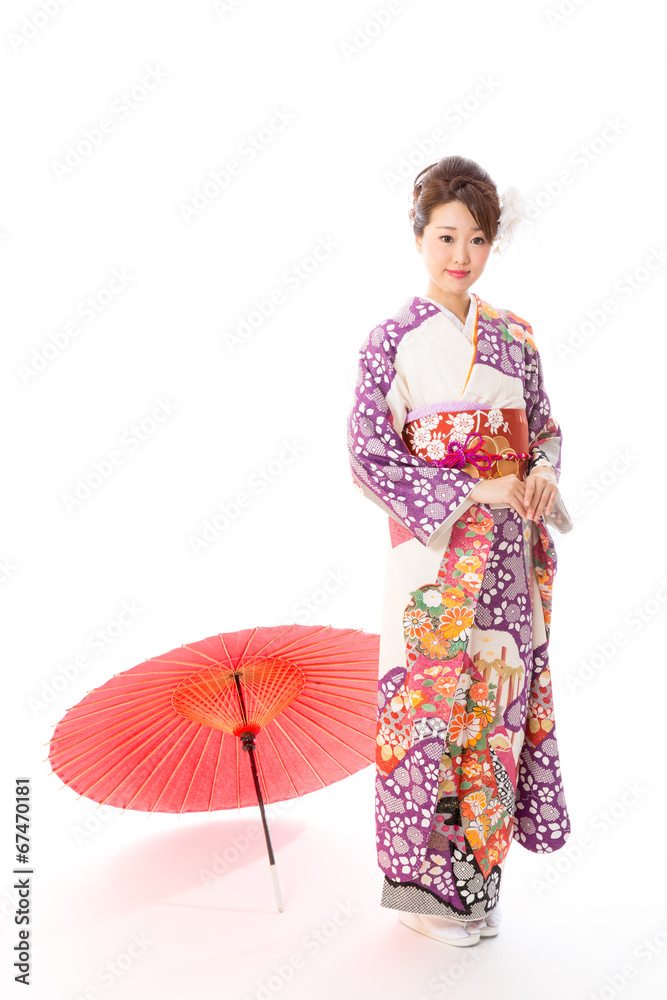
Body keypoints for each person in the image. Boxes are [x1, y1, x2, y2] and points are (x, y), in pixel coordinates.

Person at [346, 155, 574, 947]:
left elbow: (541, 428)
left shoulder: (514, 336)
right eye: (446, 235)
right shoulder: (392, 341)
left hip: (507, 559)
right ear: (418, 236)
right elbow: (371, 454)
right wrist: (478, 489)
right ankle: (427, 897)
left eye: (477, 239)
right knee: (430, 712)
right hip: (433, 562)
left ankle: (479, 886)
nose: (461, 255)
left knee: (496, 709)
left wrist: (539, 472)